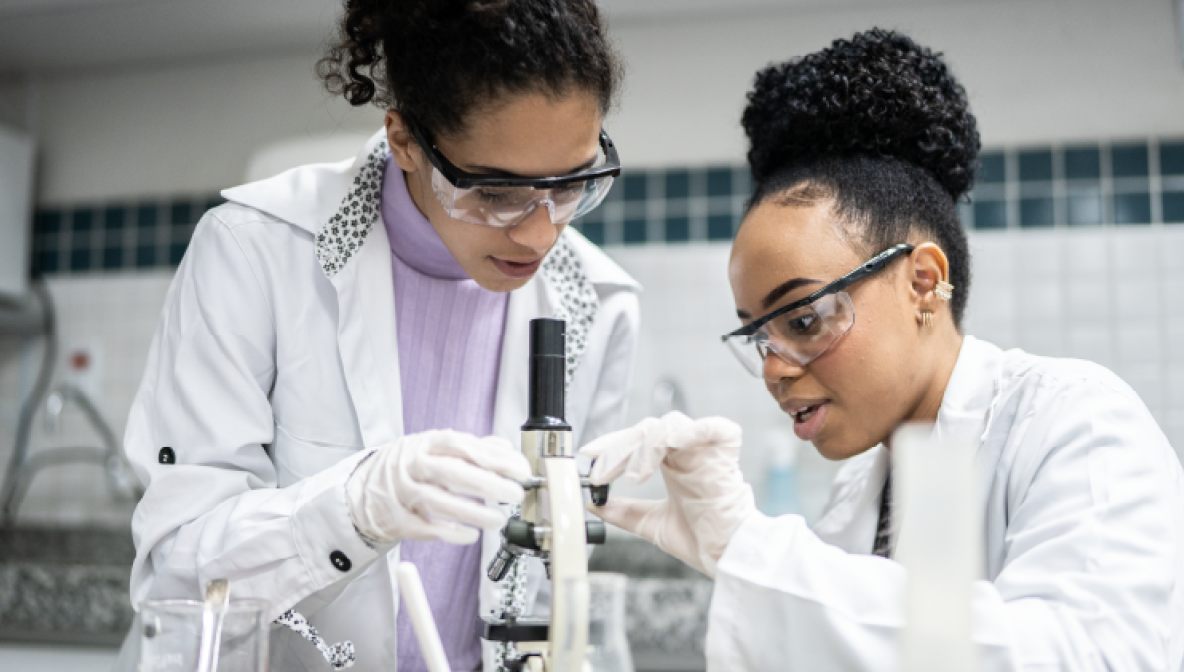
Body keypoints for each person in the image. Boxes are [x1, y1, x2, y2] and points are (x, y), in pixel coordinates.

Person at [583, 29, 1184, 671]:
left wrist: (751, 547)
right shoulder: (862, 495)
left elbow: (1085, 655)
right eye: (759, 336)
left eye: (805, 318)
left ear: (922, 282)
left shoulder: (1075, 422)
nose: (775, 370)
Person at [120, 2, 639, 671]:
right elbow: (176, 576)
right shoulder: (253, 250)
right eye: (493, 192)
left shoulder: (598, 304)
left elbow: (550, 588)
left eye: (571, 185)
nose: (540, 233)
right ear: (404, 141)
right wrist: (352, 508)